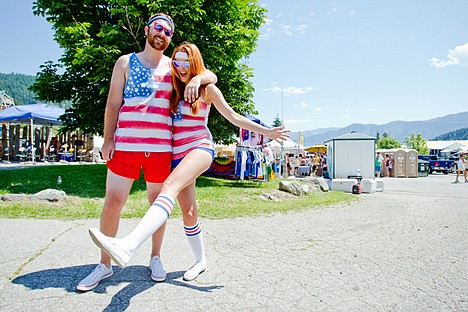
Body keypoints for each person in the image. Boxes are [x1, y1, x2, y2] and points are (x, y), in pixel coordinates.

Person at [87, 42, 290, 281]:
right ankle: (200, 261)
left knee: (168, 187)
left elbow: (234, 117)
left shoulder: (208, 90)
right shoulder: (172, 86)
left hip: (199, 148)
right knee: (189, 211)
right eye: (178, 62)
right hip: (176, 154)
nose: (182, 67)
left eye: (187, 62)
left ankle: (129, 245)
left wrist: (267, 132)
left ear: (195, 63)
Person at [76, 14, 217, 291]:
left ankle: (155, 258)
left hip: (161, 147)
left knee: (158, 202)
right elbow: (114, 101)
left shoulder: (174, 68)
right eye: (158, 28)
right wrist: (107, 139)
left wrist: (198, 76)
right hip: (126, 144)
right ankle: (104, 264)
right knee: (113, 201)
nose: (162, 34)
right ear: (147, 30)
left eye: (167, 31)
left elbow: (209, 75)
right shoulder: (125, 62)